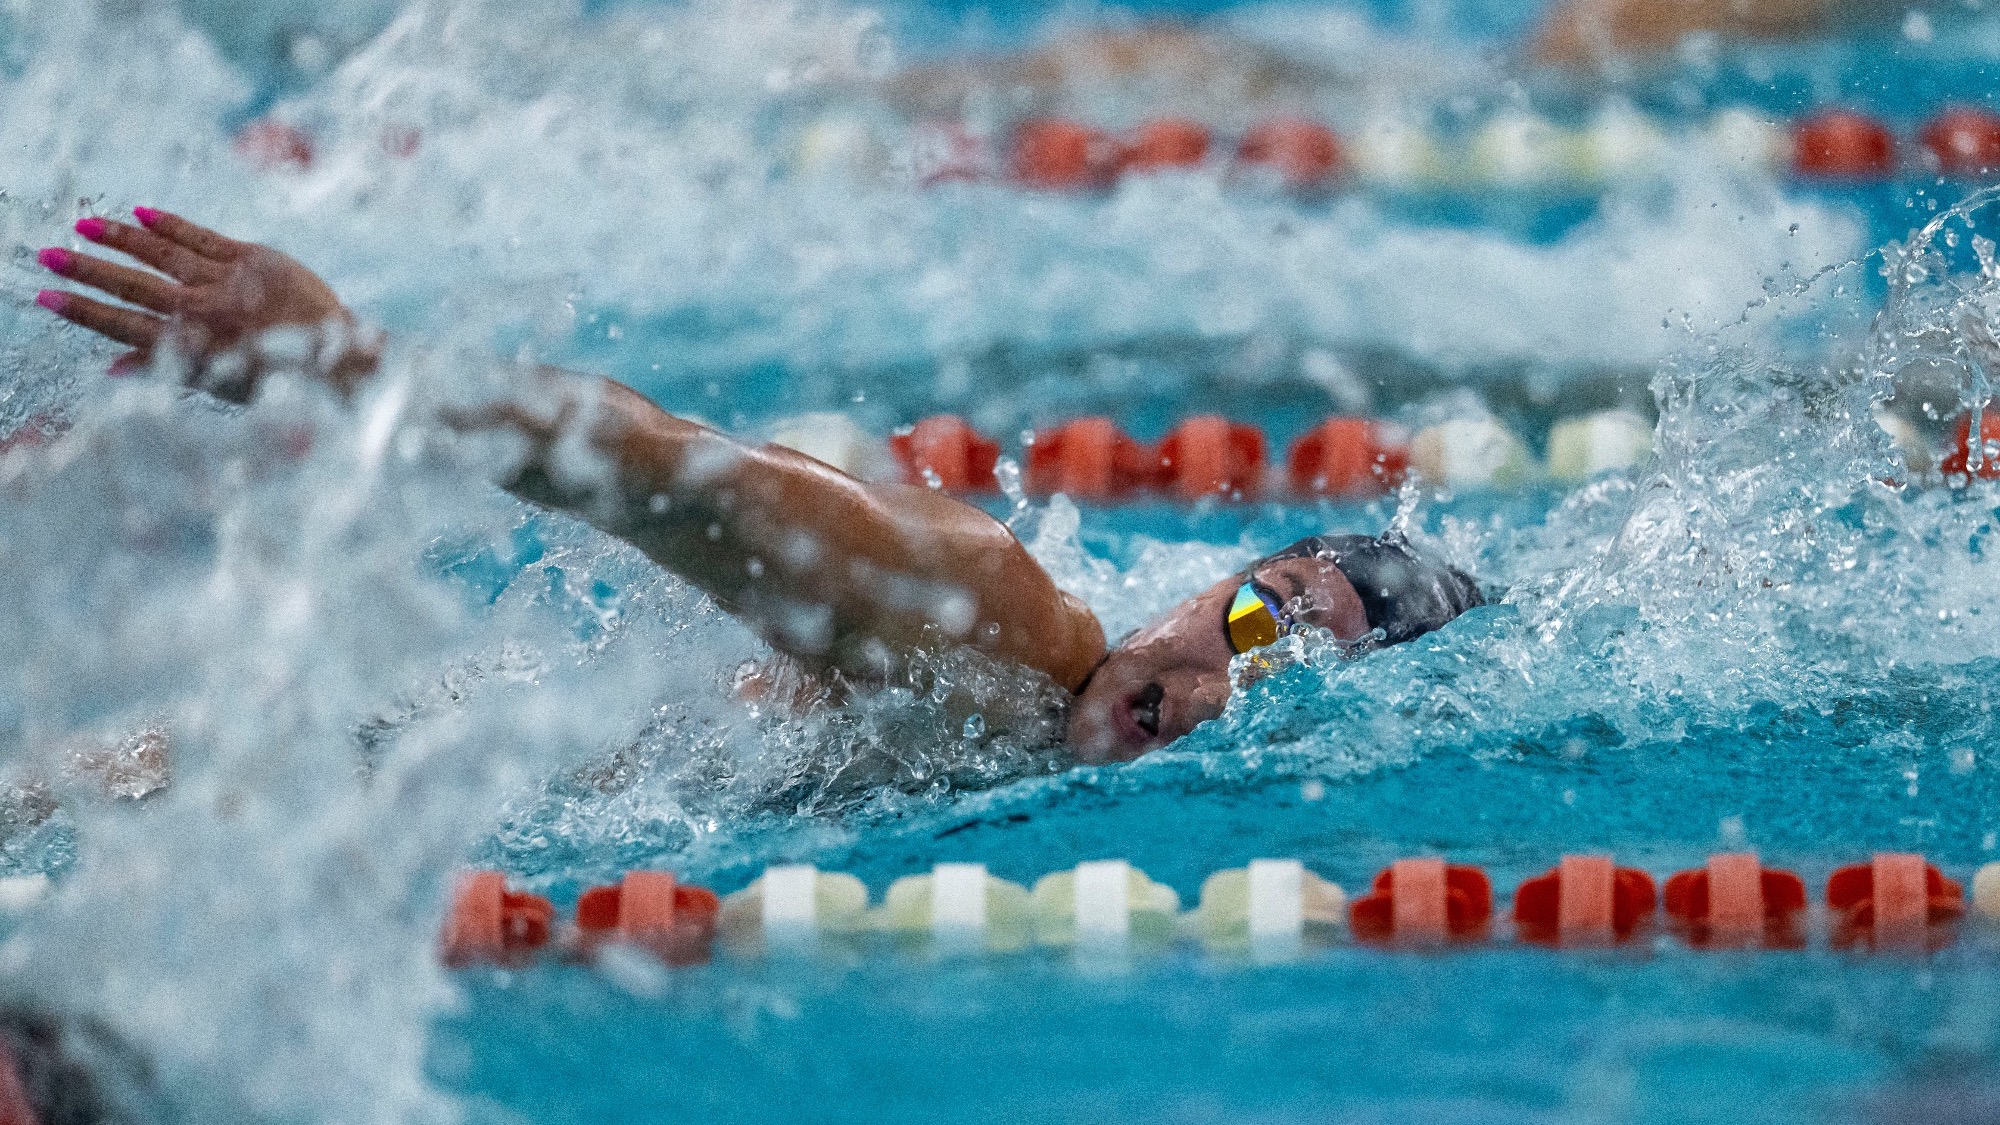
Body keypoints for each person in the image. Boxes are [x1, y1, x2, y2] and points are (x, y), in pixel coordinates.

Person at [31, 209, 1483, 763]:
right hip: (305, 767)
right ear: (1205, 583)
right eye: (1258, 616)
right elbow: (670, 472)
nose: (1237, 680)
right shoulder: (992, 621)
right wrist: (352, 362)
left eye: (1295, 671)